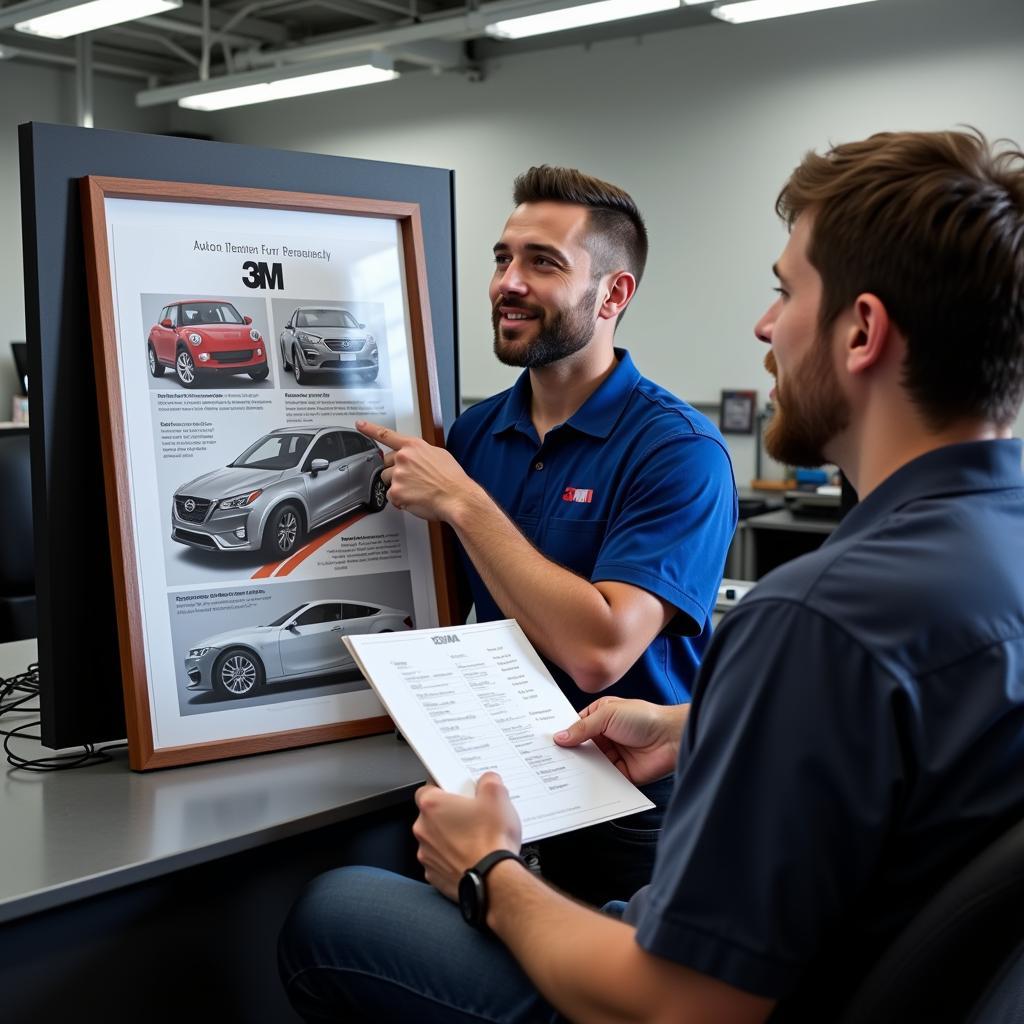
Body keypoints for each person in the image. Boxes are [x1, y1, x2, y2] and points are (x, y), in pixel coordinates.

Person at [279, 127, 1024, 1023]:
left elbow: (679, 1005)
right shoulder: (986, 559)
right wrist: (698, 720)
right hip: (825, 948)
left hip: (701, 973)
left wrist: (488, 873)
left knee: (336, 911)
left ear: (861, 329)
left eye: (786, 292)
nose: (762, 324)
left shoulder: (811, 614)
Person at [356, 166, 737, 905]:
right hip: (496, 787)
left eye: (544, 262)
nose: (508, 282)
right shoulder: (472, 435)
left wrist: (467, 504)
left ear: (614, 295)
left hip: (632, 810)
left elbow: (601, 649)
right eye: (503, 258)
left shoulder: (678, 450)